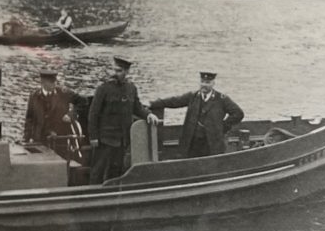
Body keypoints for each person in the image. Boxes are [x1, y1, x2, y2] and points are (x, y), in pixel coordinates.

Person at [87, 56, 159, 184]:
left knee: (116, 171)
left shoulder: (131, 88)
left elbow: (137, 107)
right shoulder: (104, 88)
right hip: (105, 139)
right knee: (97, 170)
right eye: (114, 70)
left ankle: (112, 195)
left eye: (119, 71)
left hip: (121, 140)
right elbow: (93, 114)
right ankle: (94, 196)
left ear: (126, 72)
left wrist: (148, 114)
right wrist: (93, 137)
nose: (115, 73)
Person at [149, 72, 244, 158]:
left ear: (213, 83)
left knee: (210, 164)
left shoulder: (222, 99)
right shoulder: (192, 96)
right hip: (193, 141)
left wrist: (223, 127)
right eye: (202, 82)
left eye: (207, 82)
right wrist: (153, 104)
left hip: (211, 142)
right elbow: (174, 101)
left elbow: (238, 113)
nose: (204, 85)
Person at [23, 70, 76, 151]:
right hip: (39, 139)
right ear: (43, 82)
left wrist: (70, 114)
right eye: (51, 82)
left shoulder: (62, 94)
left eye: (55, 81)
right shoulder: (34, 96)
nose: (54, 84)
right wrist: (26, 138)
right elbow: (29, 118)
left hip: (58, 140)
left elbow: (82, 102)